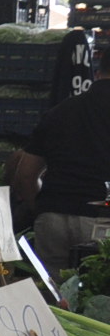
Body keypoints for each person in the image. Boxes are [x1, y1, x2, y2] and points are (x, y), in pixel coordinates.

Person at [10, 41, 110, 273]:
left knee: (53, 290)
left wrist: (40, 208)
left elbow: (25, 174)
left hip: (53, 218)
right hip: (102, 222)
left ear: (97, 72)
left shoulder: (60, 111)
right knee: (99, 290)